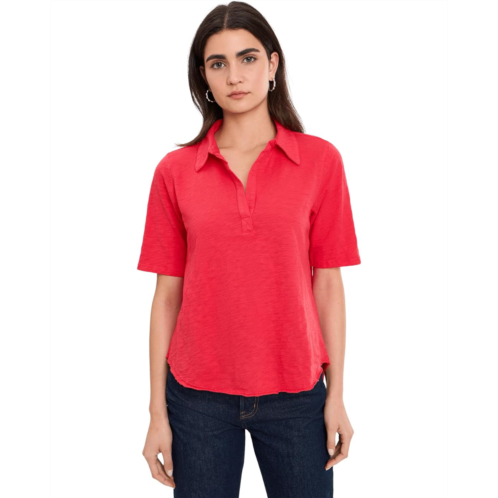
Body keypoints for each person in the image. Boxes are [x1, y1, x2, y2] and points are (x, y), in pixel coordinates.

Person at [138, 2, 361, 496]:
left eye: (248, 58)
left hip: (297, 393)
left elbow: (328, 283)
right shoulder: (175, 172)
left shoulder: (320, 161)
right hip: (196, 398)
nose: (234, 76)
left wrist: (337, 394)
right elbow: (166, 296)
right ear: (204, 76)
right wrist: (156, 412)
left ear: (273, 64)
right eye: (218, 63)